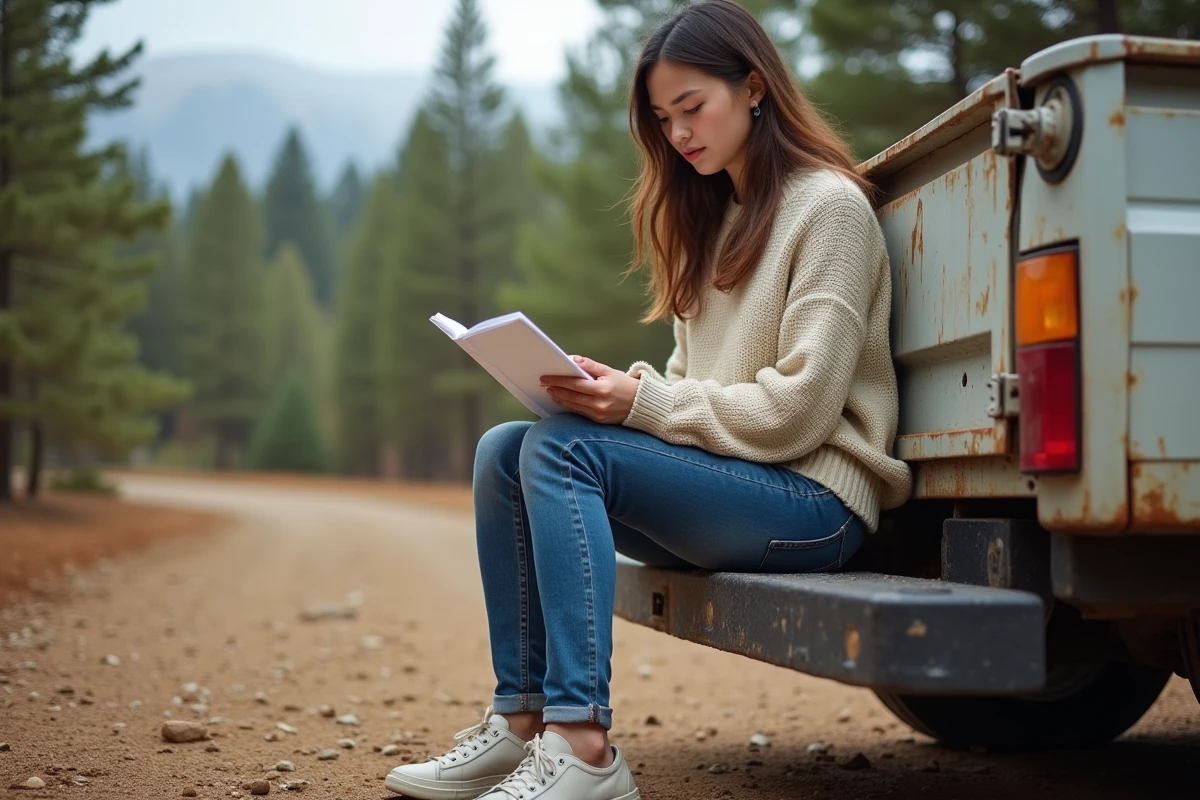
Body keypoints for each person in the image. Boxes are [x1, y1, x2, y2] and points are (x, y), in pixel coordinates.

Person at [385, 1, 912, 797]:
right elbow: (693, 384)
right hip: (745, 488)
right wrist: (618, 391)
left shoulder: (828, 208)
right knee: (504, 449)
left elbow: (801, 411)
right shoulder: (718, 220)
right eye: (664, 120)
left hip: (812, 503)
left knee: (565, 448)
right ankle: (521, 721)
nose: (680, 135)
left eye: (692, 108)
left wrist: (640, 404)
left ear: (756, 88)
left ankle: (584, 746)